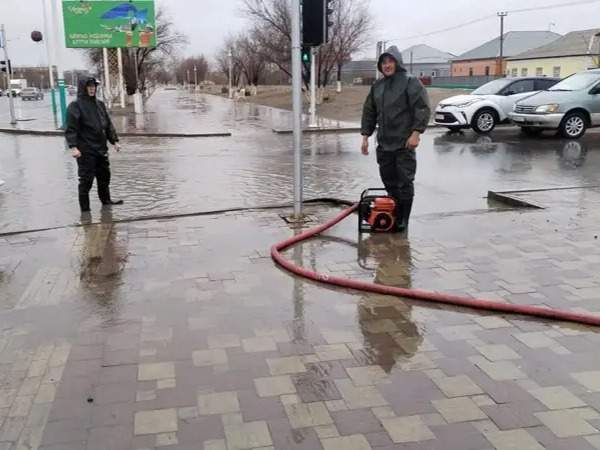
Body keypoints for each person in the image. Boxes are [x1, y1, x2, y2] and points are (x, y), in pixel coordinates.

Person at [361, 46, 431, 232]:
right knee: (389, 180)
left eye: (390, 61)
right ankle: (394, 212)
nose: (387, 65)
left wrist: (416, 133)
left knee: (404, 182)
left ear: (397, 62)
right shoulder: (377, 86)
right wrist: (365, 136)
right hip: (384, 143)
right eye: (384, 62)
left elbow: (421, 108)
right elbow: (369, 111)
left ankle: (403, 220)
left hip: (404, 143)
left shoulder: (410, 82)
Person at [66, 77, 123, 213]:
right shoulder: (76, 106)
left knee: (104, 177)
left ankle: (106, 201)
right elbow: (71, 128)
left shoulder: (100, 104)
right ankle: (85, 211)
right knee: (86, 181)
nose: (92, 89)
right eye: (89, 86)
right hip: (86, 150)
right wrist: (73, 147)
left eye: (94, 86)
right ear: (83, 88)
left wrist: (114, 141)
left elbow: (107, 124)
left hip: (101, 148)